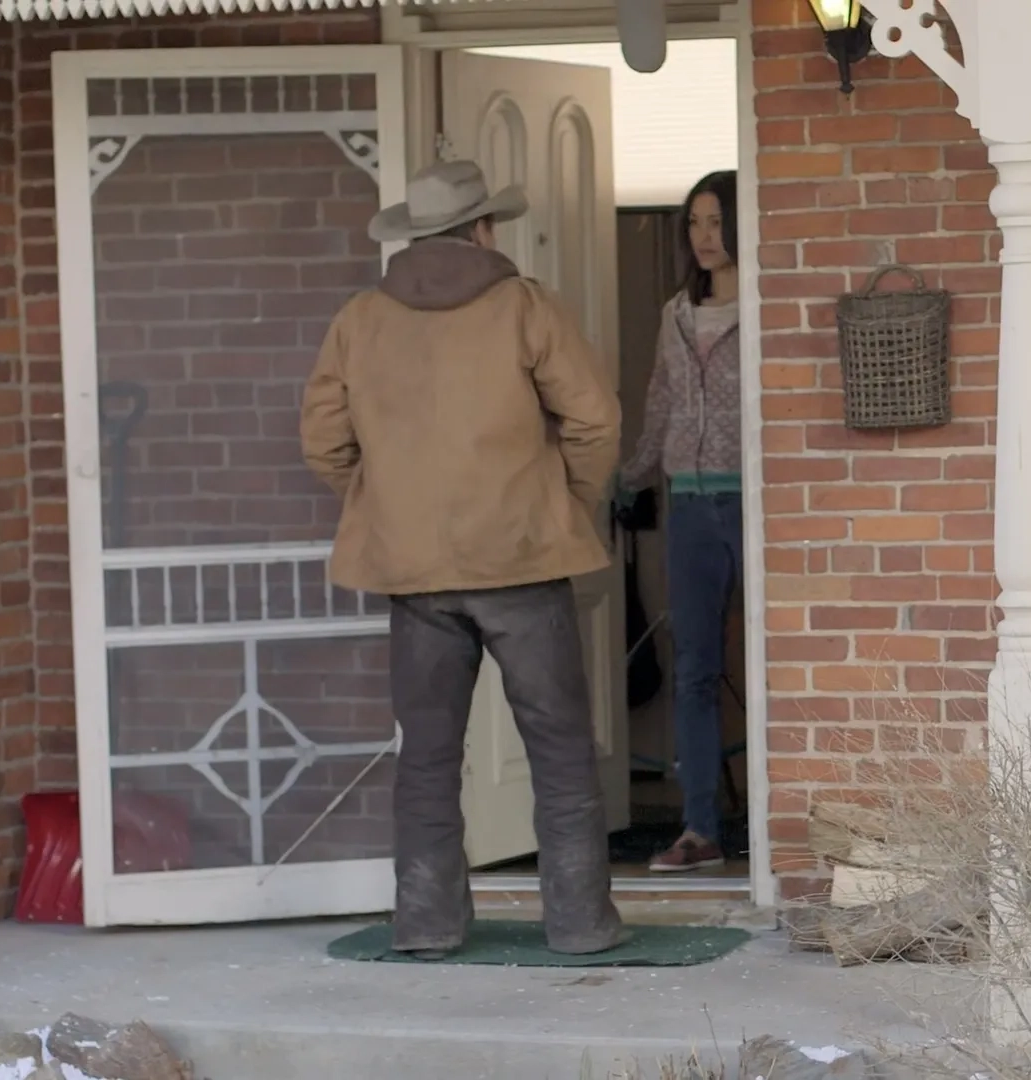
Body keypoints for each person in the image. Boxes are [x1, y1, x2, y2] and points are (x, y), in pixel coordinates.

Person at [301, 159, 627, 956]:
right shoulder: (525, 307)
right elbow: (596, 423)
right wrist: (563, 506)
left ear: (413, 235)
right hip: (521, 562)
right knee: (558, 750)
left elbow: (321, 442)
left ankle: (426, 922)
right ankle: (580, 923)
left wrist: (389, 507)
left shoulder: (359, 318)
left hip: (413, 573)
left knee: (428, 758)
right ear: (484, 230)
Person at [619, 170, 743, 873]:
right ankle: (699, 829)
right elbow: (660, 403)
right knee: (694, 669)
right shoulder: (674, 315)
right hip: (690, 508)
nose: (704, 235)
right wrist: (628, 478)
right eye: (694, 222)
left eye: (716, 221)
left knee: (772, 663)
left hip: (755, 504)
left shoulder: (766, 308)